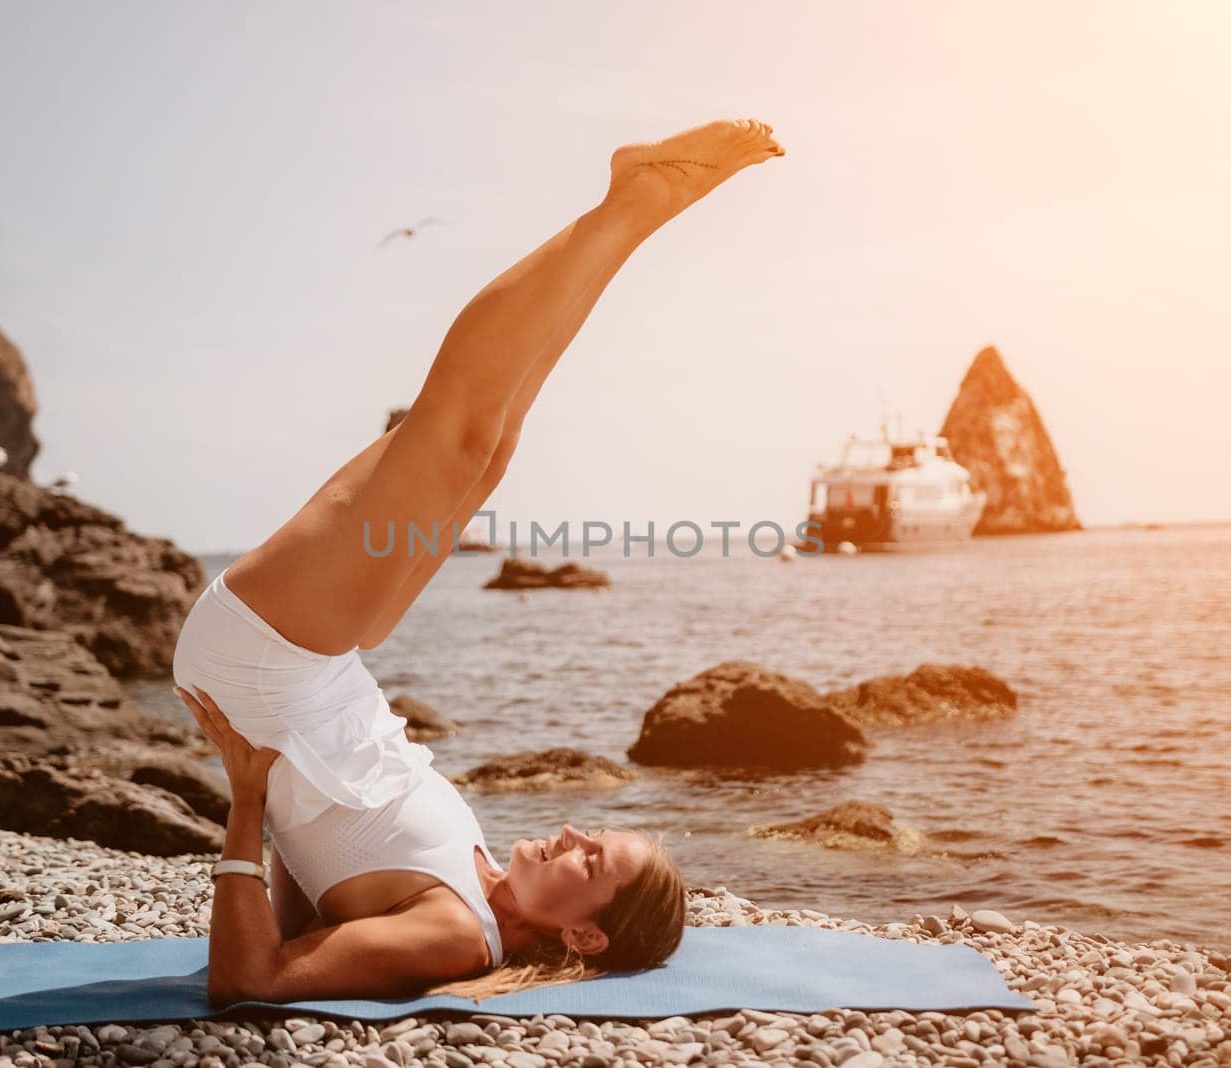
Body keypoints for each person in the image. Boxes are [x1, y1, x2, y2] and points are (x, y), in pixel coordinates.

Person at [172, 118, 785, 1006]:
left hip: (267, 664)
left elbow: (249, 983)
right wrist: (286, 827)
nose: (573, 831)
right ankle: (638, 210)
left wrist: (246, 800)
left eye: (592, 858)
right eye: (592, 836)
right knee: (488, 450)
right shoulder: (481, 880)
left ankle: (634, 202)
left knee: (453, 429)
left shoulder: (459, 937)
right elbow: (320, 903)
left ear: (583, 932)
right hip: (315, 666)